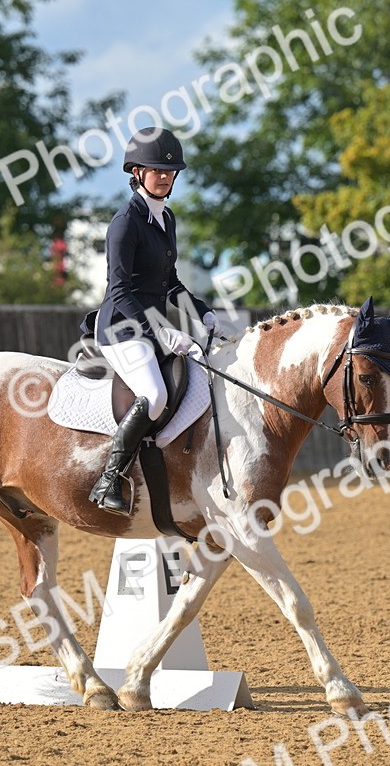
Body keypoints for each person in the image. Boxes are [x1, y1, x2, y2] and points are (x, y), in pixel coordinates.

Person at [84, 127, 217, 515]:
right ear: (137, 172)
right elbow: (120, 290)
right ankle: (108, 479)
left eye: (169, 171)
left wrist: (200, 309)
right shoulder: (125, 222)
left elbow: (169, 281)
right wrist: (161, 331)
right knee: (156, 396)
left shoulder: (166, 218)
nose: (164, 176)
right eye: (155, 169)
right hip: (120, 327)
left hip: (151, 324)